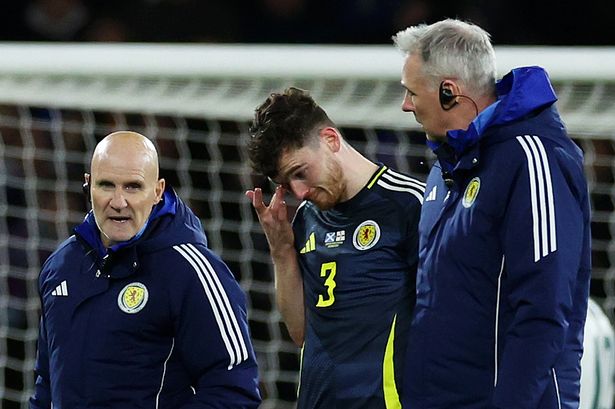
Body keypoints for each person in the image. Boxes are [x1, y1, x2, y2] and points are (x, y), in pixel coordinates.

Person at [393, 19, 591, 408]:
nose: (405, 104)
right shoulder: (446, 168)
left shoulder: (533, 160)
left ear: (449, 92)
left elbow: (544, 310)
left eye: (412, 92)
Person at [29, 131, 261, 408]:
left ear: (157, 191)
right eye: (106, 185)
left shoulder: (190, 271)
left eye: (132, 187)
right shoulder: (60, 267)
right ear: (88, 185)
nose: (118, 202)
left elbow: (234, 390)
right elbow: (46, 383)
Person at [245, 87, 424, 408]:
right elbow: (300, 333)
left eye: (300, 173)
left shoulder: (410, 205)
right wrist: (282, 252)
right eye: (287, 185)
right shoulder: (306, 218)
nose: (299, 192)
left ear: (330, 140)